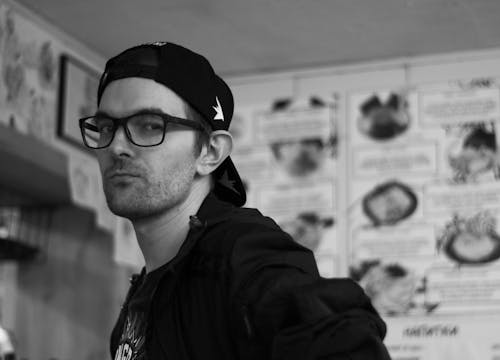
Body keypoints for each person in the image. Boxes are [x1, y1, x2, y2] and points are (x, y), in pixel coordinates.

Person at [80, 41, 391, 360]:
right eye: (105, 127)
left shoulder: (238, 252)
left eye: (149, 126)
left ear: (210, 152)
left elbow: (344, 341)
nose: (116, 146)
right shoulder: (147, 292)